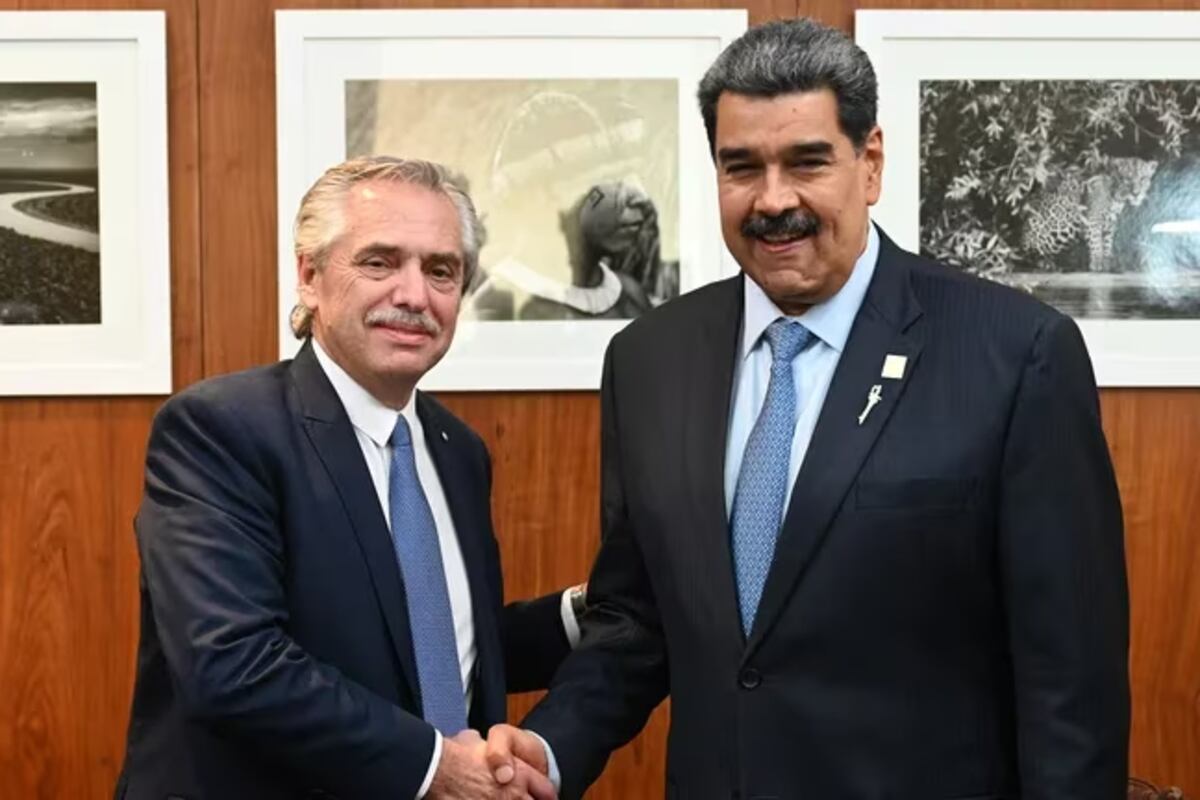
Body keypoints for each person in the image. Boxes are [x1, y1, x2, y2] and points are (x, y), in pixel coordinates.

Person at [486, 18, 1130, 800]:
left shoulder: (1014, 354)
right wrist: (548, 753)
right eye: (742, 167)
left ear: (871, 164)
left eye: (807, 162)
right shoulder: (649, 360)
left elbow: (1071, 680)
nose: (772, 199)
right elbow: (637, 618)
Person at [115, 156, 583, 800]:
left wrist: (584, 614)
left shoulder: (457, 450)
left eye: (440, 270)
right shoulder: (220, 429)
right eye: (379, 262)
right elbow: (233, 665)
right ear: (309, 277)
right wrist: (437, 769)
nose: (414, 295)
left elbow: (425, 641)